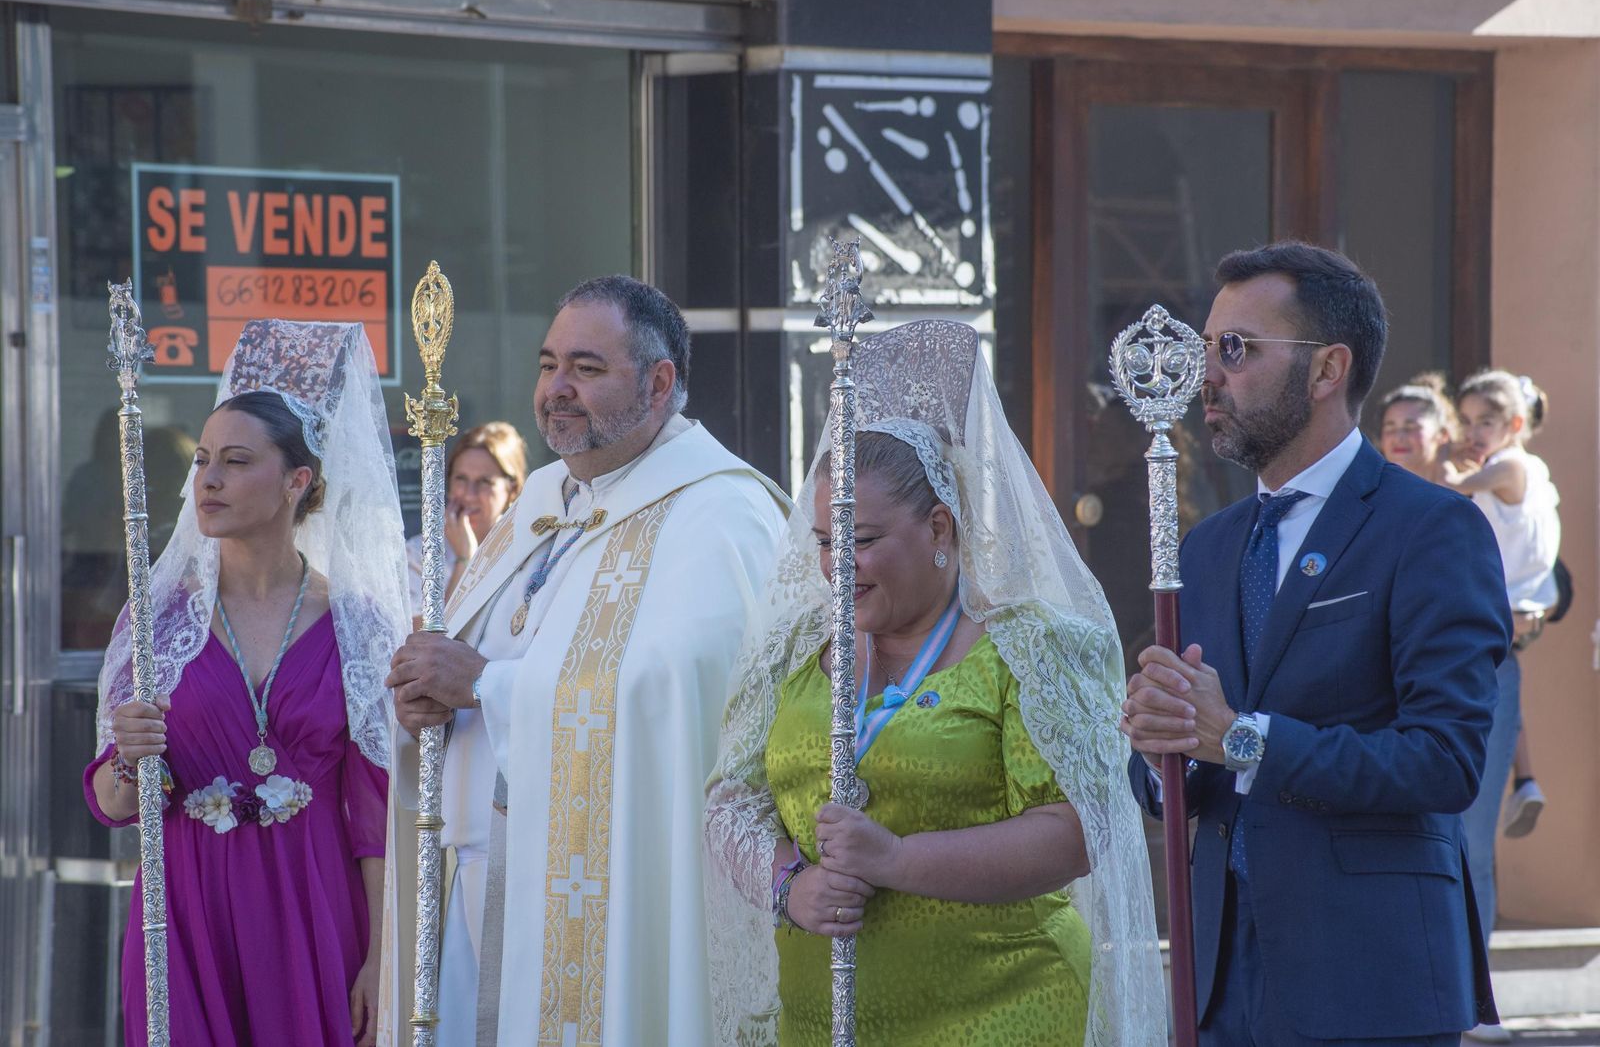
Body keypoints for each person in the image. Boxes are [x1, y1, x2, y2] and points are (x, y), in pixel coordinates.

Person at [705, 320, 1164, 1046]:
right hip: (819, 1018)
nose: (836, 565)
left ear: (941, 529)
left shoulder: (1030, 648)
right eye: (825, 542)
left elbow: (1079, 831)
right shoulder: (794, 648)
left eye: (862, 541)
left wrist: (896, 859)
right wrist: (793, 887)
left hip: (1000, 1011)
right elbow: (731, 799)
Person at [380, 275, 789, 1045]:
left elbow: (672, 696)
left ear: (659, 382)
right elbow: (468, 651)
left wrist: (485, 687)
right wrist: (419, 696)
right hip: (472, 881)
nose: (556, 390)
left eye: (586, 369)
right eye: (546, 365)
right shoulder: (539, 498)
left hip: (603, 893)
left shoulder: (720, 511)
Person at [1121, 242, 1508, 1046]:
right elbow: (1186, 769)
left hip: (1371, 979)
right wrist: (1164, 744)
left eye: (1235, 349)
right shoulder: (1206, 548)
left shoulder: (1431, 530)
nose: (1208, 378)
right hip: (1222, 983)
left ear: (1327, 369)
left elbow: (1445, 760)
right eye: (1204, 350)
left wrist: (1237, 736)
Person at [86, 320, 410, 1046]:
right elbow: (111, 803)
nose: (209, 479)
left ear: (300, 481)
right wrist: (129, 758)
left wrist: (380, 963)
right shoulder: (160, 619)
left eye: (235, 461)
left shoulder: (356, 624)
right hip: (186, 916)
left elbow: (375, 818)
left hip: (314, 912)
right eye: (203, 460)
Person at [1441, 371, 1560, 1045]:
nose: (1473, 431)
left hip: (1489, 650)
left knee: (1469, 843)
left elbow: (1454, 493)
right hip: (1487, 642)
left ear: (1516, 424)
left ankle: (1476, 1001)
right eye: (1467, 418)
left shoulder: (1513, 466)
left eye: (1486, 419)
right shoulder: (1523, 476)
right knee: (1464, 839)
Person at [403, 421, 528, 628]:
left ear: (512, 489)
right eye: (461, 479)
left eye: (485, 482)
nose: (469, 495)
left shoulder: (523, 549)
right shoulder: (419, 554)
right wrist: (465, 559)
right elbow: (426, 642)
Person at [1376, 372, 1457, 484]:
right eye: (1390, 428)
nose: (1399, 437)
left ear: (1442, 434)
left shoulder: (1472, 489)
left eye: (1410, 427)